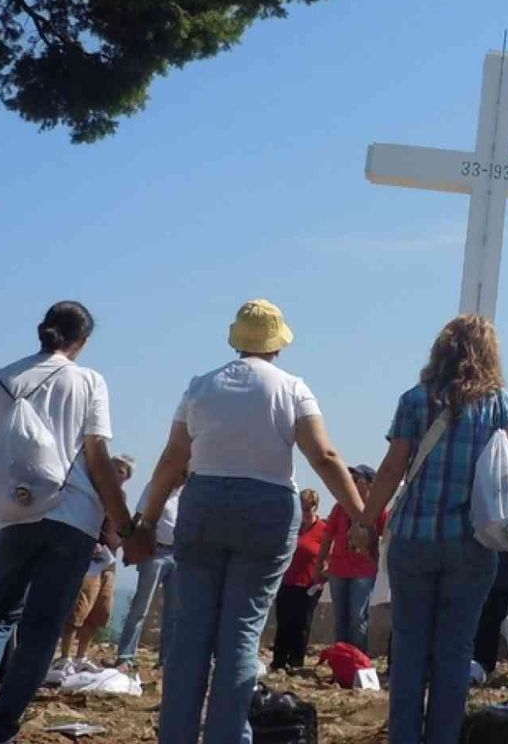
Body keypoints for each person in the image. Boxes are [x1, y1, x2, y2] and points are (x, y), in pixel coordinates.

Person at [123, 299, 365, 744]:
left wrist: (146, 521)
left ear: (237, 341)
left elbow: (173, 459)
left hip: (203, 502)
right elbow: (324, 456)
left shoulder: (200, 386)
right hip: (267, 507)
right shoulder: (292, 388)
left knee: (191, 632)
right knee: (240, 634)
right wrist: (361, 517)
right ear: (278, 345)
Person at [354, 314, 508, 744]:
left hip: (414, 537)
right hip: (471, 543)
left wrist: (365, 521)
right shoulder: (500, 403)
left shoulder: (414, 400)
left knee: (410, 649)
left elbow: (394, 467)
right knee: (454, 651)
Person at [0, 302, 132, 744]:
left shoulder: (0, 379)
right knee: (41, 628)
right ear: (82, 341)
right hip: (74, 518)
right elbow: (97, 458)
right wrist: (125, 526)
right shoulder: (89, 382)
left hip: (15, 515)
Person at [51, 453, 133, 679]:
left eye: (121, 471)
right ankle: (65, 657)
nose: (116, 473)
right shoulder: (93, 491)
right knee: (80, 606)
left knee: (101, 610)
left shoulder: (121, 497)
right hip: (89, 557)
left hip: (110, 559)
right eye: (114, 468)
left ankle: (81, 657)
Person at [114, 476, 182, 670]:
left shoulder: (184, 494)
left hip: (177, 553)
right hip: (155, 552)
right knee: (141, 606)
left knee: (173, 611)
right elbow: (139, 516)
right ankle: (126, 656)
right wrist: (131, 545)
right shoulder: (155, 487)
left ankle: (166, 659)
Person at [318, 464, 386, 654]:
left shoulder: (377, 509)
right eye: (351, 479)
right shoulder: (340, 507)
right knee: (340, 617)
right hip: (338, 568)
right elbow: (327, 537)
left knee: (358, 617)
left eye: (357, 479)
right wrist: (319, 565)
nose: (352, 483)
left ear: (370, 484)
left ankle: (357, 660)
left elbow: (385, 534)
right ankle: (341, 660)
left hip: (363, 570)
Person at [272, 488, 329, 671]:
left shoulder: (324, 530)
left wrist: (324, 571)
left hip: (309, 584)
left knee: (301, 624)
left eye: (306, 509)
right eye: (300, 508)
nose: (303, 513)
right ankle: (279, 661)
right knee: (283, 623)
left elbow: (331, 555)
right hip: (287, 581)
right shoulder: (292, 526)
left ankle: (296, 663)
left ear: (315, 508)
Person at [473, 551, 508, 679]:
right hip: (498, 581)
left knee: (488, 625)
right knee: (489, 625)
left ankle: (483, 663)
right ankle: (483, 663)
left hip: (497, 581)